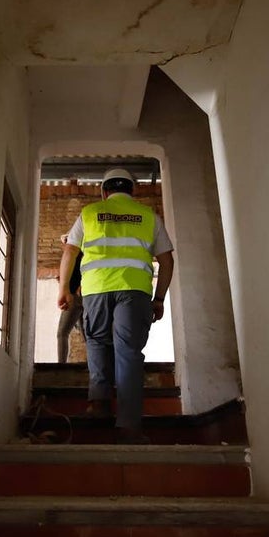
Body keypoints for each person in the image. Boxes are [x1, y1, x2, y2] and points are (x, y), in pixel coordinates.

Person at [57, 167, 174, 444]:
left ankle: (99, 407)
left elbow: (70, 252)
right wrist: (159, 299)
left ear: (104, 191)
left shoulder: (89, 213)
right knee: (129, 353)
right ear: (132, 191)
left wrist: (64, 289)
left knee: (97, 342)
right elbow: (167, 261)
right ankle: (130, 426)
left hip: (97, 290)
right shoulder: (149, 216)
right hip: (134, 291)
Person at [55, 234, 84, 363]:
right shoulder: (78, 255)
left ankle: (61, 366)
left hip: (74, 297)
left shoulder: (77, 255)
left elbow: (83, 272)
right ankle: (95, 367)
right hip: (82, 297)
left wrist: (79, 287)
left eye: (66, 241)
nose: (65, 244)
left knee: (62, 333)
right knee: (88, 336)